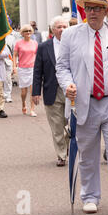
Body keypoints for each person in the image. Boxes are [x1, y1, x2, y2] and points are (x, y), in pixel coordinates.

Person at [56, 0, 108, 215]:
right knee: (88, 153)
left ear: (106, 11)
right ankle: (90, 196)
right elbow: (62, 67)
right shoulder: (71, 35)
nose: (92, 12)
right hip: (85, 103)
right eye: (89, 8)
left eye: (97, 8)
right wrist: (68, 85)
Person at [32, 16, 70, 167]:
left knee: (71, 125)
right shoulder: (44, 47)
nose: (62, 30)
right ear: (53, 30)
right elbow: (37, 71)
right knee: (56, 125)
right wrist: (35, 92)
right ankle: (61, 155)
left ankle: (66, 144)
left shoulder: (74, 45)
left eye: (64, 27)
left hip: (71, 90)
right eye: (59, 27)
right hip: (51, 91)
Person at [13, 24, 39, 117]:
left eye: (29, 31)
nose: (28, 32)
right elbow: (15, 55)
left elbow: (37, 55)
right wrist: (14, 66)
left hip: (33, 68)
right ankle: (23, 103)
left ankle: (32, 110)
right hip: (22, 68)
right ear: (22, 33)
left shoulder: (35, 43)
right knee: (24, 92)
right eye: (26, 31)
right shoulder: (18, 43)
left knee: (33, 91)